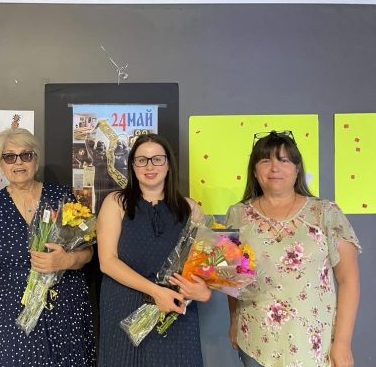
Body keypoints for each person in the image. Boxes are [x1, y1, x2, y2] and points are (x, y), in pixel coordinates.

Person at [226, 130, 361, 367]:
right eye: (265, 160)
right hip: (256, 342)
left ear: (297, 168)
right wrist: (234, 320)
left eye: (284, 160)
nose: (274, 168)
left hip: (314, 344)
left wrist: (342, 342)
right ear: (254, 170)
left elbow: (348, 279)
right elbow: (233, 279)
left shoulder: (325, 213)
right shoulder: (238, 215)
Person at [0, 128, 96, 366]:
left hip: (62, 308)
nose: (18, 162)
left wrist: (66, 260)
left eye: (26, 155)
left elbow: (88, 252)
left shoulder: (61, 196)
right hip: (8, 312)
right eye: (10, 157)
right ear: (1, 164)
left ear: (36, 160)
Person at [97, 133, 212, 367]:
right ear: (133, 165)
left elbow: (202, 265)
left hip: (175, 311)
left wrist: (204, 290)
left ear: (168, 164)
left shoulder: (190, 208)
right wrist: (156, 292)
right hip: (124, 308)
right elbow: (107, 262)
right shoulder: (116, 202)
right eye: (142, 160)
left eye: (157, 159)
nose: (150, 167)